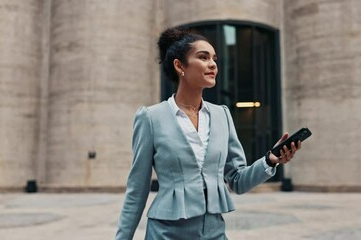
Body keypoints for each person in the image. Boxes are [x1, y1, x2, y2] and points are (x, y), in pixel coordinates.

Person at [115, 27, 302, 240]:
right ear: (180, 66)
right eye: (203, 57)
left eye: (214, 58)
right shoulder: (150, 118)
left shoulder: (222, 115)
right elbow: (137, 190)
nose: (213, 64)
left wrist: (269, 161)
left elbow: (237, 180)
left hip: (214, 233)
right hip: (165, 233)